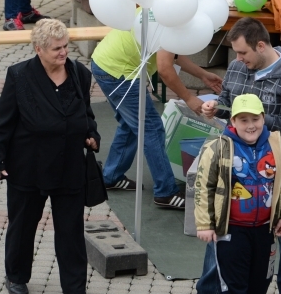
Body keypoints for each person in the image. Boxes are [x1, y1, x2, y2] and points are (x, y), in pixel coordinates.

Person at [172, 17, 281, 294]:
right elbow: (225, 104)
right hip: (233, 164)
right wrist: (216, 109)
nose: (237, 61)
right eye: (236, 54)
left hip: (271, 171)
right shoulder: (237, 68)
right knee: (221, 226)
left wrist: (257, 121)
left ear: (261, 46)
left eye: (243, 54)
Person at [0, 19, 100, 294]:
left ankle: (74, 288)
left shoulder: (79, 74)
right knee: (23, 224)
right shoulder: (20, 75)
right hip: (28, 165)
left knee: (71, 230)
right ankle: (17, 276)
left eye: (65, 46)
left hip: (69, 165)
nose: (63, 53)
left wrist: (91, 135)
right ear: (38, 49)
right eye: (56, 49)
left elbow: (87, 114)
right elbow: (3, 121)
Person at [194, 94, 281, 294]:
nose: (250, 125)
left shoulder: (278, 145)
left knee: (259, 282)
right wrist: (205, 224)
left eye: (255, 119)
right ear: (233, 121)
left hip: (265, 229)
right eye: (243, 120)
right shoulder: (217, 147)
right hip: (231, 230)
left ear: (263, 118)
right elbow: (203, 187)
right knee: (232, 286)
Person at [91, 19, 223, 209]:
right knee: (151, 128)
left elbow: (172, 54)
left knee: (132, 125)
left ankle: (111, 176)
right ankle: (166, 192)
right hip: (118, 71)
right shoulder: (171, 21)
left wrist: (202, 74)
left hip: (106, 63)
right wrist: (190, 98)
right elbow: (164, 69)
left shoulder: (168, 10)